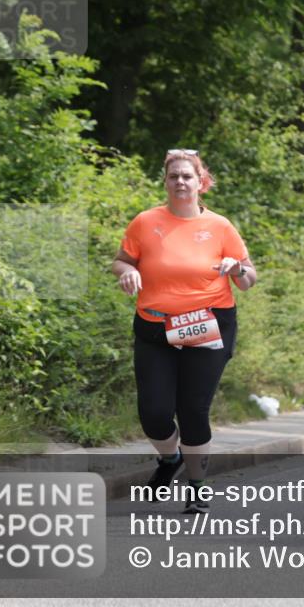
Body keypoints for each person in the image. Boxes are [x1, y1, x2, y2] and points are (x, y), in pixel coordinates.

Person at [111, 149, 257, 515]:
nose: (180, 182)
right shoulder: (145, 222)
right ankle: (170, 458)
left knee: (192, 410)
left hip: (208, 325)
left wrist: (236, 267)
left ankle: (196, 486)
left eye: (187, 176)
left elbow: (249, 279)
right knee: (154, 413)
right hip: (155, 327)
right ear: (165, 181)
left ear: (200, 182)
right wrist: (126, 272)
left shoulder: (221, 227)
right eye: (173, 176)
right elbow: (121, 259)